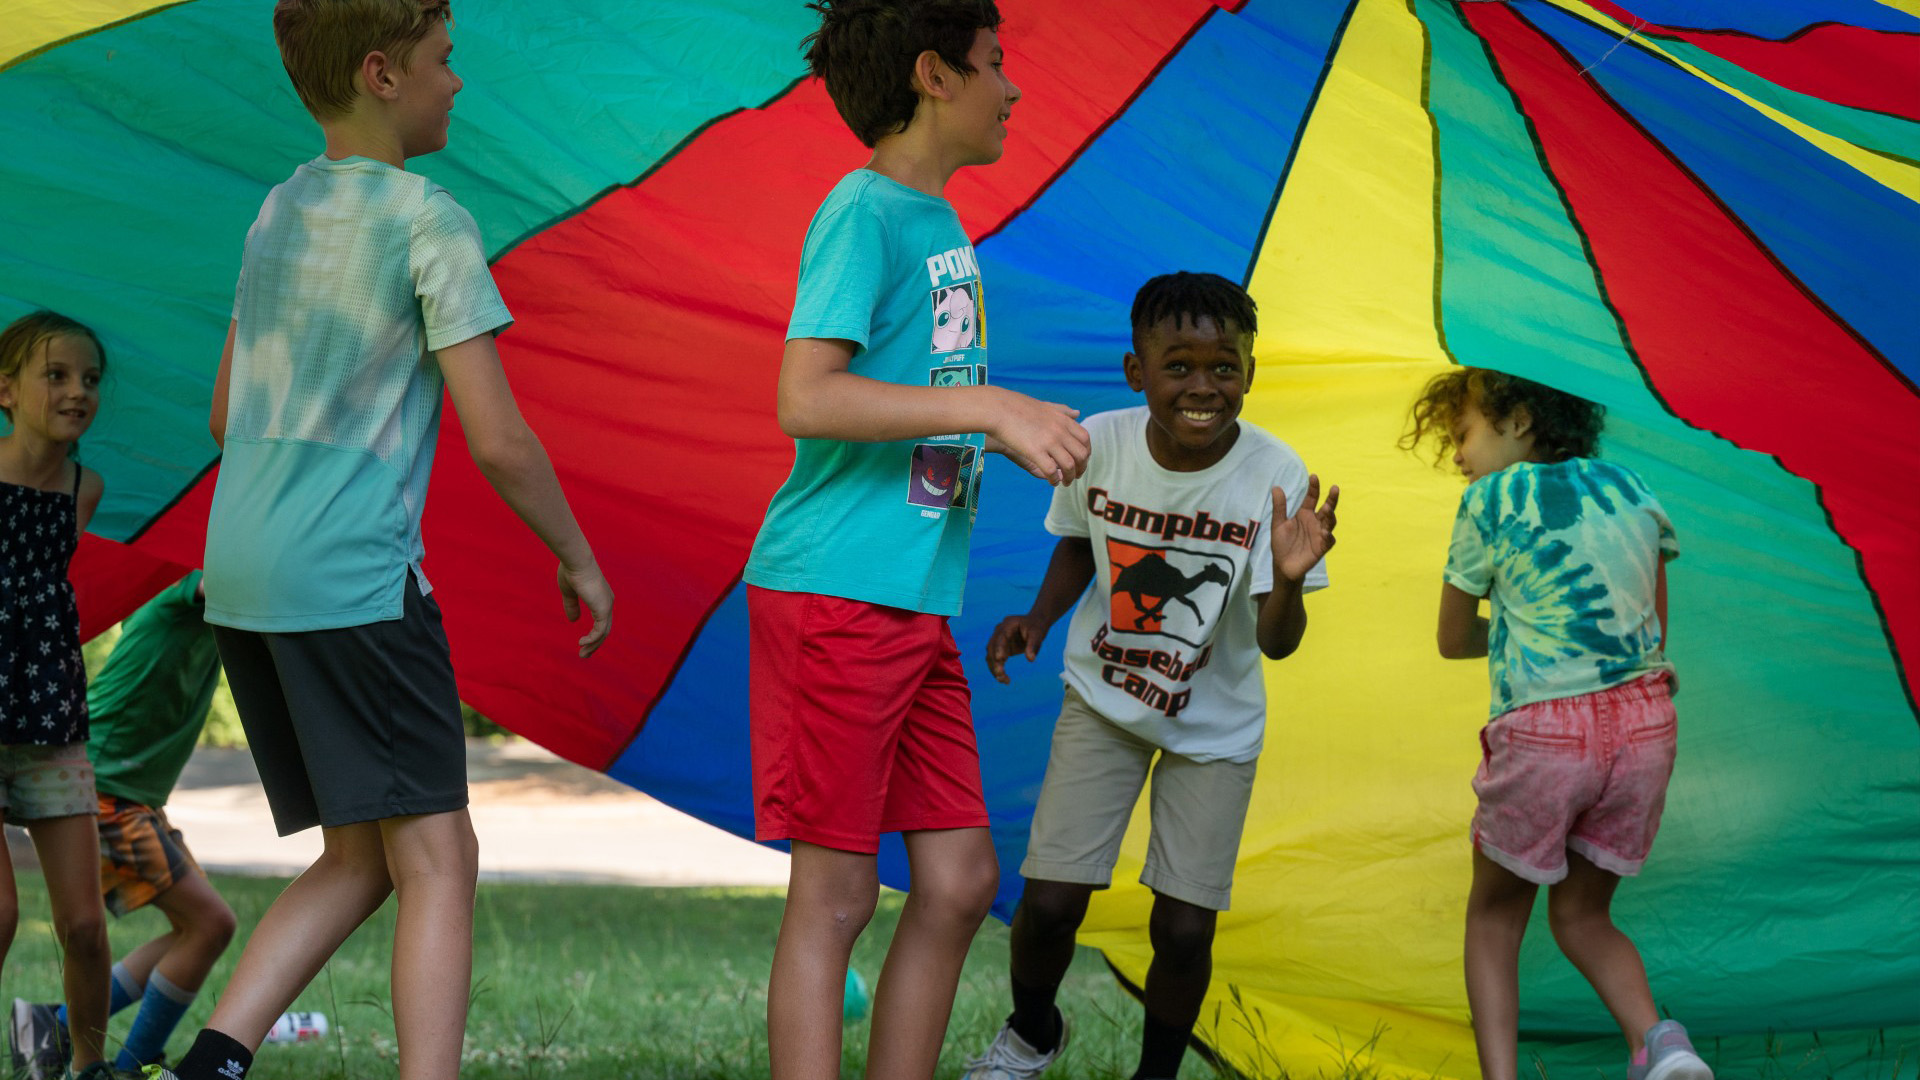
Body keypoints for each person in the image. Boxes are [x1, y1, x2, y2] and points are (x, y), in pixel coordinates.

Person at [153, 2, 615, 1078]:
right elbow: (499, 438)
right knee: (442, 857)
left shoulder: (278, 211)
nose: (460, 81)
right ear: (381, 73)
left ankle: (210, 1062)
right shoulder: (426, 217)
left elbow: (227, 415)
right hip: (351, 576)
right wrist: (579, 558)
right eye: (445, 61)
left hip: (245, 573)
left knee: (361, 857)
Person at [743, 2, 1091, 1077]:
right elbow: (807, 396)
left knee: (957, 883)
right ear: (935, 75)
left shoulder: (938, 224)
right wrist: (990, 407)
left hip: (911, 602)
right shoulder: (865, 212)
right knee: (837, 893)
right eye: (997, 65)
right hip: (839, 591)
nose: (1014, 88)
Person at [961, 273, 1336, 1080]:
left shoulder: (1275, 473)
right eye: (1179, 366)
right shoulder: (1103, 443)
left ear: (1249, 372)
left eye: (1224, 366)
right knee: (1053, 902)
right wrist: (1038, 617)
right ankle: (1030, 1033)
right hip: (1103, 701)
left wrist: (1292, 577)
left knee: (1186, 930)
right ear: (1138, 372)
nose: (1203, 386)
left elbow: (1278, 646)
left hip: (1217, 729)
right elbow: (1078, 538)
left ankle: (1156, 1076)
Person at [1402, 367, 1710, 1080]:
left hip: (1547, 737)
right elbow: (1651, 631)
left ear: (1519, 421)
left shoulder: (1490, 498)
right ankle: (1660, 1044)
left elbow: (1453, 636)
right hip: (1645, 727)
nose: (1458, 455)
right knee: (1582, 916)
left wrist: (1529, 636)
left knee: (1494, 917)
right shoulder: (1632, 487)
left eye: (1462, 434)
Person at [10, 572, 237, 1078]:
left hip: (131, 796)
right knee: (209, 924)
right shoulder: (185, 584)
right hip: (106, 791)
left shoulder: (216, 612)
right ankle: (131, 1067)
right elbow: (227, 578)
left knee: (200, 928)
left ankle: (55, 1025)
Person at [0, 311, 117, 1080]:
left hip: (49, 714)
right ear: (6, 391)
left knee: (82, 922)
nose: (77, 391)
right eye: (57, 375)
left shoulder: (85, 487)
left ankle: (85, 1067)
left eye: (90, 379)